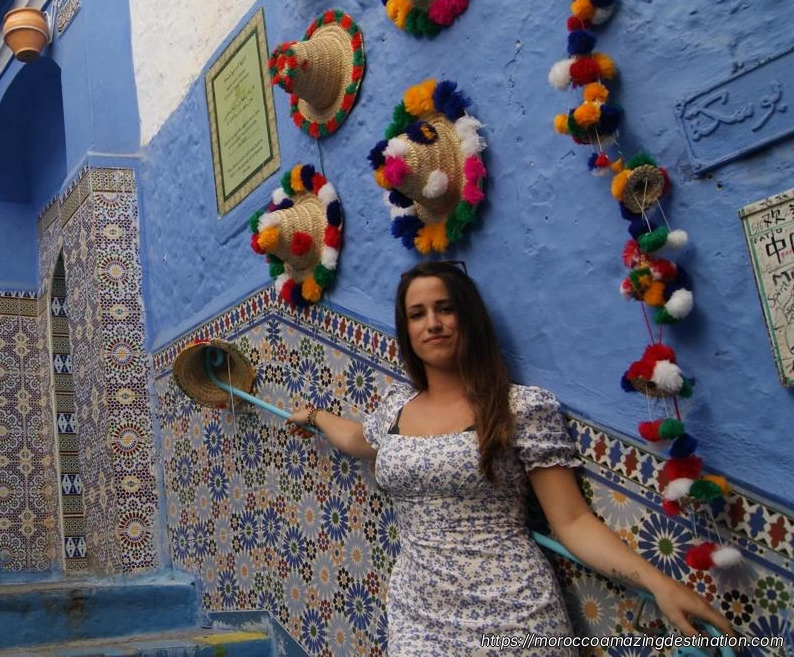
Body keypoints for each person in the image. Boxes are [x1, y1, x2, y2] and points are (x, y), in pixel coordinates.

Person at [285, 261, 733, 656]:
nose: (433, 323)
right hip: (417, 611)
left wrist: (658, 583)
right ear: (407, 331)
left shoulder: (519, 408)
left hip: (514, 612)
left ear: (469, 318)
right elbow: (359, 440)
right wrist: (317, 415)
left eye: (445, 308)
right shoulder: (394, 409)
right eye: (417, 314)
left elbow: (572, 521)